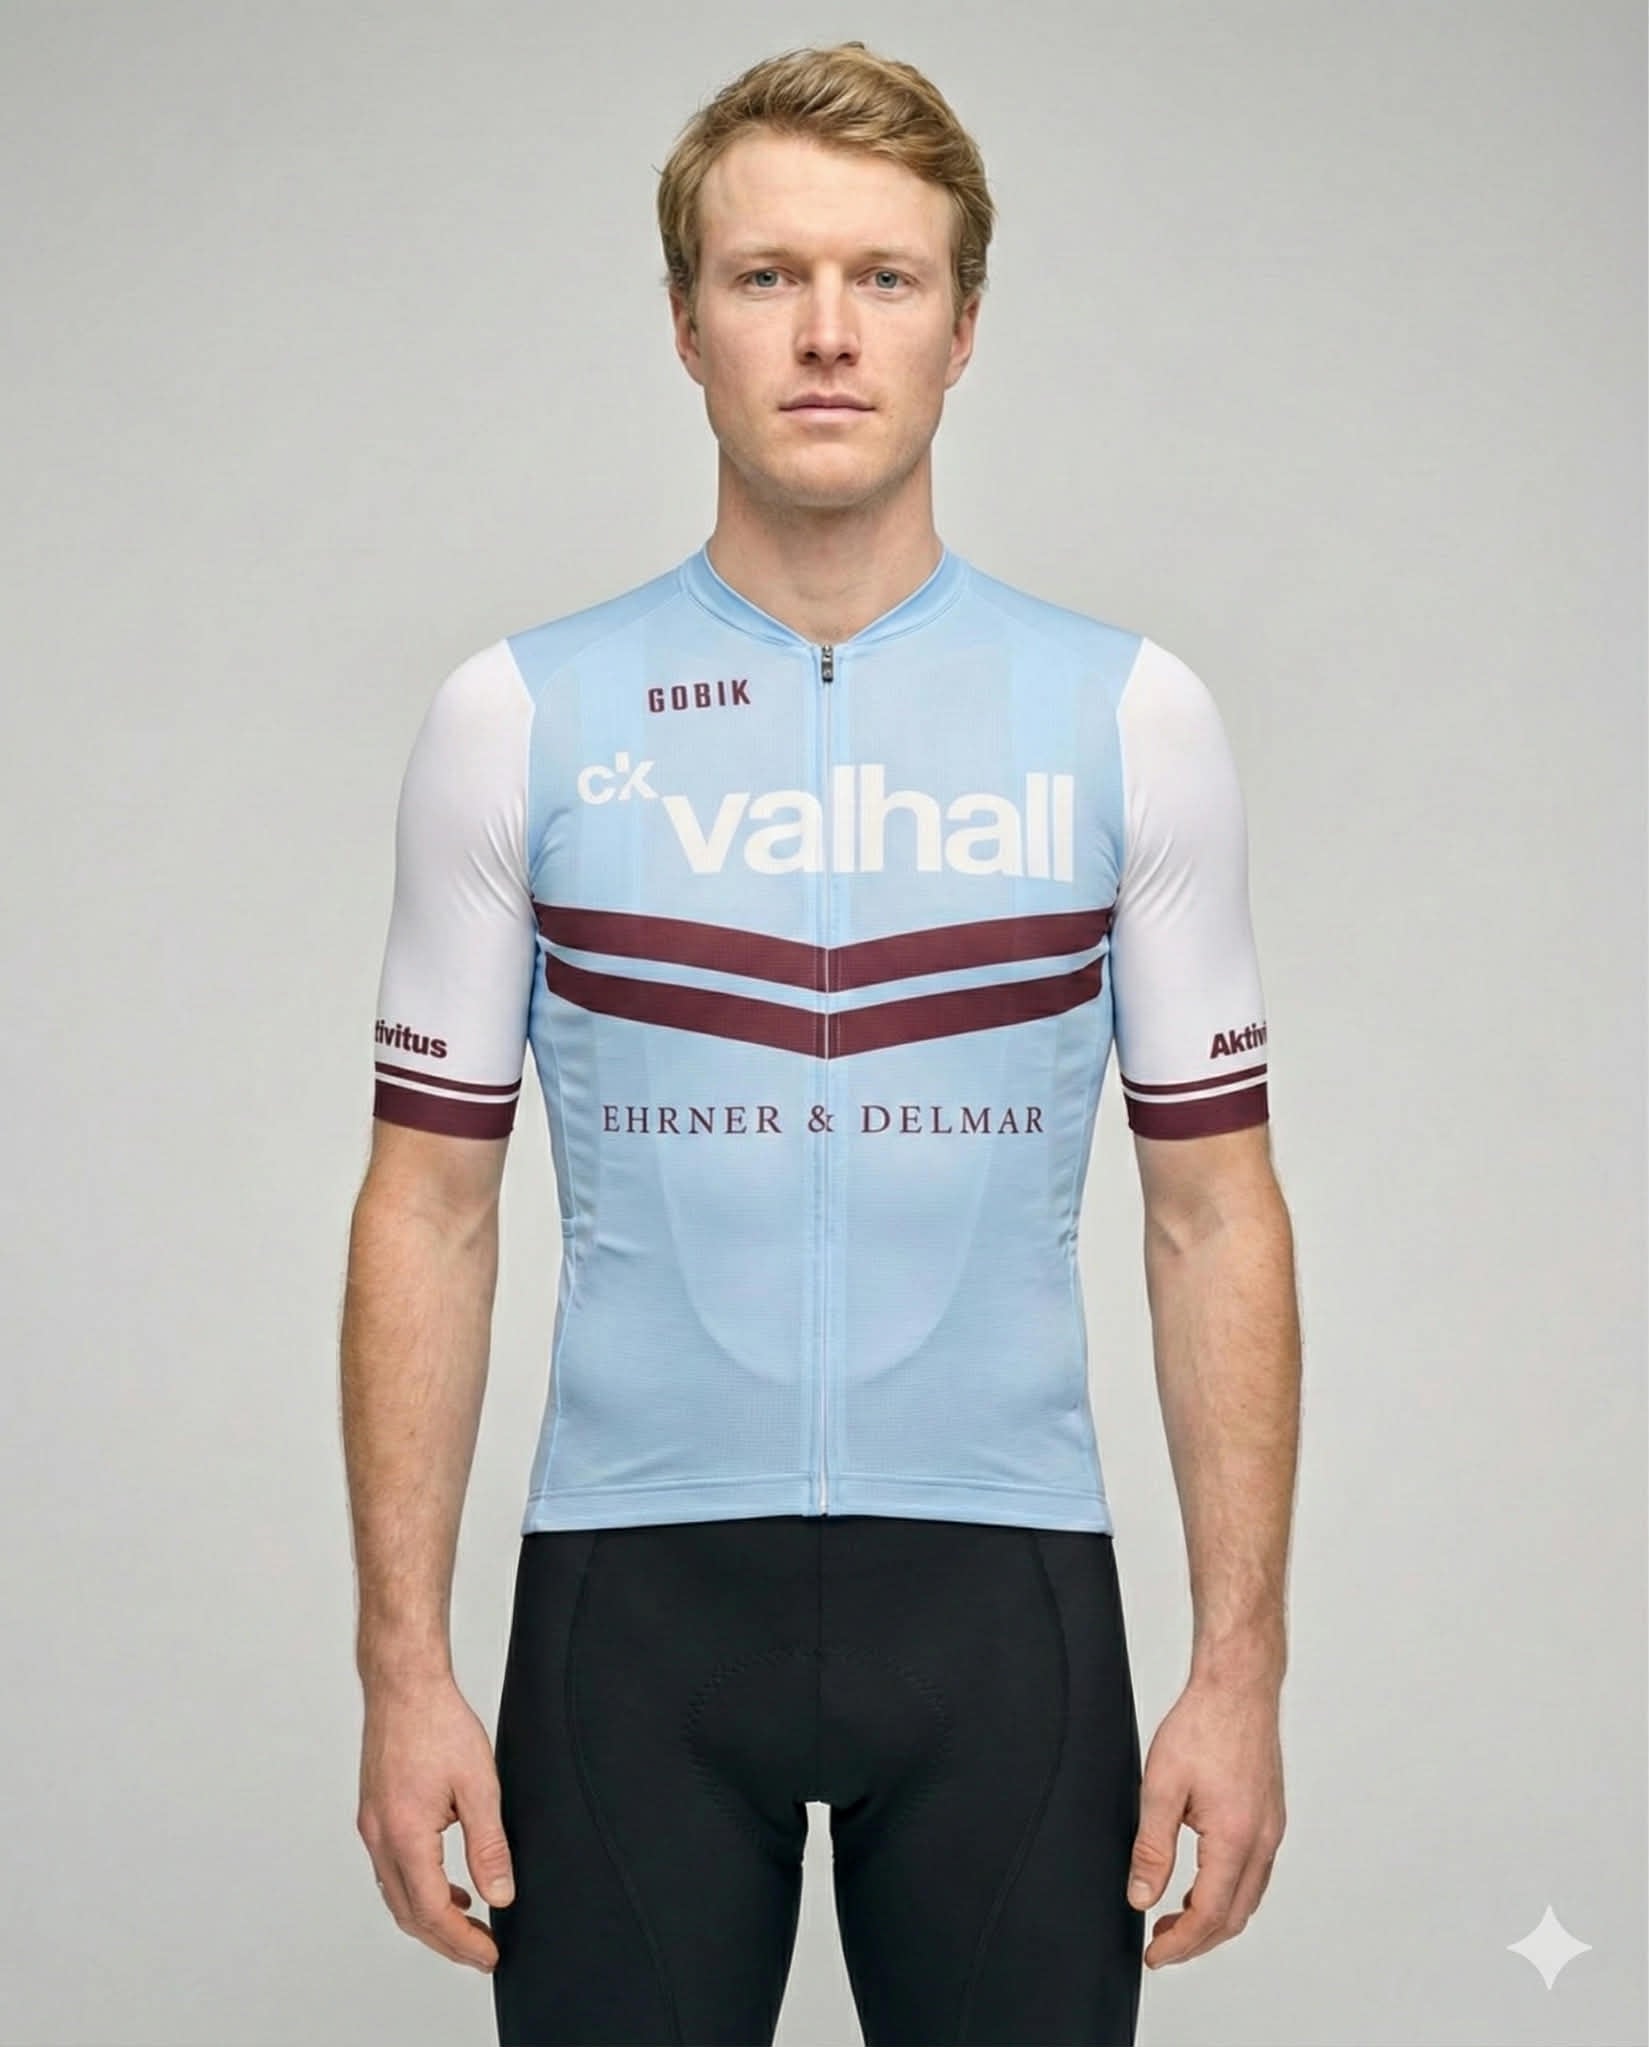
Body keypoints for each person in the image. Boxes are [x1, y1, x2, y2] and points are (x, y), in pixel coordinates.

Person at [341, 37, 1300, 2047]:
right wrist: (400, 1665)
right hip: (627, 1617)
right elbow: (427, 1205)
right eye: (767, 275)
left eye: (885, 276)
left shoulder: (1128, 717)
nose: (829, 333)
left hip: (1004, 1618)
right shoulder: (520, 716)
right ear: (684, 323)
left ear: (965, 327)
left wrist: (1241, 1667)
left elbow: (1213, 1212)